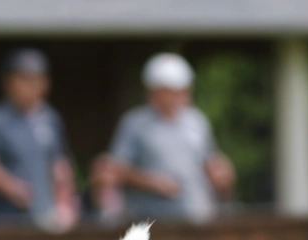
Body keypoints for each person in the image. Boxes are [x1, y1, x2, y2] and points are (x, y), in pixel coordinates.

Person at [94, 54, 234, 224]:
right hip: (150, 221)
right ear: (154, 91)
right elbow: (114, 170)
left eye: (183, 90)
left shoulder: (197, 120)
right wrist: (152, 182)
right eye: (172, 91)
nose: (180, 96)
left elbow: (209, 161)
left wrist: (220, 172)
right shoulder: (134, 123)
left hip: (196, 219)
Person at [0, 48, 77, 230]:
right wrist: (11, 187)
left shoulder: (50, 118)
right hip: (4, 217)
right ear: (8, 82)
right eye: (24, 79)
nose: (32, 86)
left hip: (46, 216)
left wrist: (65, 203)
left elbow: (61, 165)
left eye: (37, 79)